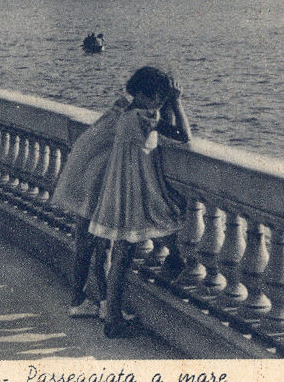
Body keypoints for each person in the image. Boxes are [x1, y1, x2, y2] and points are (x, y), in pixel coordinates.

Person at [51, 66, 193, 338]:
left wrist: (164, 102)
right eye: (158, 97)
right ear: (145, 94)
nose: (159, 102)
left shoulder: (125, 114)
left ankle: (109, 311)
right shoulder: (143, 117)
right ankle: (112, 319)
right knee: (123, 255)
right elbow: (184, 135)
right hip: (130, 194)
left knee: (116, 254)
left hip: (116, 192)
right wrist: (176, 102)